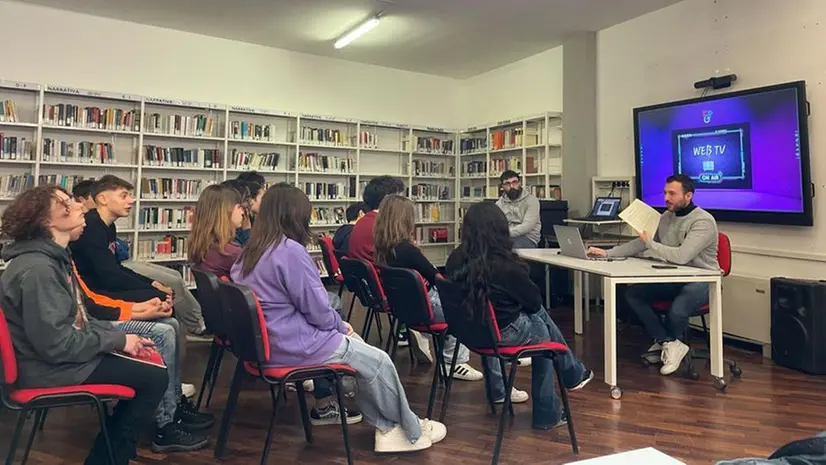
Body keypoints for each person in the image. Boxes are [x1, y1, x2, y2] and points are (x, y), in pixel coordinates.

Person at [231, 184, 447, 453]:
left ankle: (393, 425)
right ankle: (406, 430)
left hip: (267, 346)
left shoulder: (249, 253)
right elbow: (317, 309)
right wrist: (338, 324)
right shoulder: (289, 251)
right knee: (379, 361)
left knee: (365, 358)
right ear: (296, 216)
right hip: (296, 345)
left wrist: (335, 325)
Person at [0, 185, 168, 465]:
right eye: (67, 203)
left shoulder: (53, 260)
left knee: (148, 365)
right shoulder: (39, 270)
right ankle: (108, 458)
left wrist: (119, 338)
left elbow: (79, 320)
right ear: (47, 220)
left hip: (51, 359)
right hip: (46, 368)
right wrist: (117, 341)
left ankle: (111, 454)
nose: (79, 206)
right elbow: (57, 344)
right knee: (153, 377)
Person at [446, 202, 593, 427]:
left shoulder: (454, 258)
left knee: (534, 319)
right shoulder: (505, 265)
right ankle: (550, 408)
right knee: (543, 332)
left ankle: (568, 373)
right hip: (502, 334)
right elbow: (534, 303)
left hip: (471, 330)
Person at [69, 225, 213, 452]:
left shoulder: (64, 257)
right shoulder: (48, 266)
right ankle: (165, 425)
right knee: (163, 333)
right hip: (87, 339)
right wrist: (135, 317)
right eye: (70, 207)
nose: (83, 216)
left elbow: (92, 302)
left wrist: (140, 309)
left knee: (171, 324)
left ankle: (173, 405)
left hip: (96, 323)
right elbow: (89, 313)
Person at [588, 174, 719, 376]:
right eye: (665, 193)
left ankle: (670, 345)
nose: (666, 197)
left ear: (688, 196)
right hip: (674, 277)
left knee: (677, 310)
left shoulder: (703, 221)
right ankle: (668, 342)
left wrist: (650, 243)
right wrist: (608, 253)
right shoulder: (666, 217)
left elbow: (682, 256)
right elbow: (640, 243)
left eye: (672, 194)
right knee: (633, 294)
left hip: (703, 280)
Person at [71, 175, 209, 342]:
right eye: (124, 196)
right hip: (96, 294)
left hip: (105, 286)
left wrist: (151, 282)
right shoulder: (92, 227)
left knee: (162, 292)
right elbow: (109, 275)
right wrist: (151, 288)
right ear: (103, 199)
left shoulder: (108, 226)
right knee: (160, 297)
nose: (131, 200)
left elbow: (115, 267)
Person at [373, 194, 483, 382]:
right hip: (423, 308)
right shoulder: (407, 250)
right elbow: (436, 277)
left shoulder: (384, 247)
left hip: (404, 307)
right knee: (466, 306)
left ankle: (426, 336)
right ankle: (454, 362)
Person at [347, 175, 429, 359]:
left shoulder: (362, 222)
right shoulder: (383, 227)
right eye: (399, 197)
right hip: (391, 291)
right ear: (390, 200)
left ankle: (408, 329)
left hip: (372, 290)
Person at [189, 184, 245, 278]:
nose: (243, 212)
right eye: (239, 207)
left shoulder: (204, 246)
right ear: (225, 211)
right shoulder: (230, 253)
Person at [495, 170, 541, 249]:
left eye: (514, 182)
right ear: (502, 187)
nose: (512, 186)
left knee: (507, 247)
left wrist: (504, 233)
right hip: (506, 237)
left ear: (519, 183)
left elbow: (527, 227)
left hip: (528, 238)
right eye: (507, 184)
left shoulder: (531, 200)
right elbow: (496, 224)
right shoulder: (499, 203)